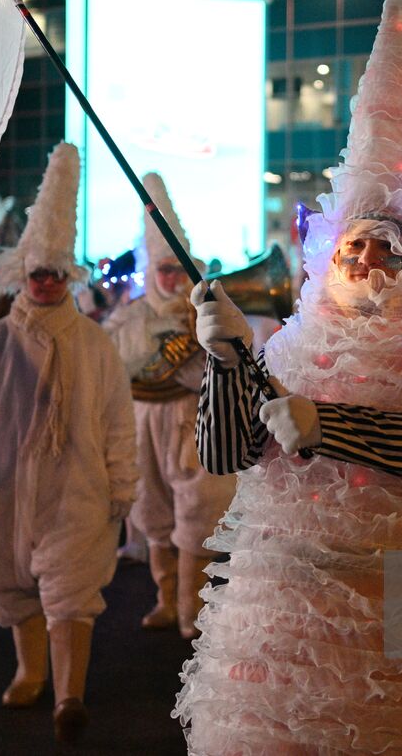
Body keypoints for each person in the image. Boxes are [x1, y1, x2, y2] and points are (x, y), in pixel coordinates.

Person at [174, 0, 402, 753]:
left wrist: (323, 423)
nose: (366, 259)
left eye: (385, 247)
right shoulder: (288, 350)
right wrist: (229, 359)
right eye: (353, 245)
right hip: (293, 621)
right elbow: (227, 450)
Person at [0, 143, 137, 744]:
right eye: (38, 273)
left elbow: (116, 418)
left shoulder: (95, 344)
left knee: (71, 590)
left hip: (77, 489)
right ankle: (30, 671)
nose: (47, 282)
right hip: (3, 489)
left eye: (56, 272)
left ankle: (69, 694)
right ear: (22, 274)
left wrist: (122, 481)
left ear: (69, 275)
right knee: (7, 583)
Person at [103, 172, 238, 640]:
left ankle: (191, 613)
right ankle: (165, 600)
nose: (170, 278)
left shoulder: (206, 309)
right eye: (162, 269)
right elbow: (118, 367)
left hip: (190, 417)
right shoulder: (128, 315)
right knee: (153, 511)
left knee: (197, 512)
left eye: (176, 270)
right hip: (144, 420)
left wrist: (191, 347)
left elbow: (222, 370)